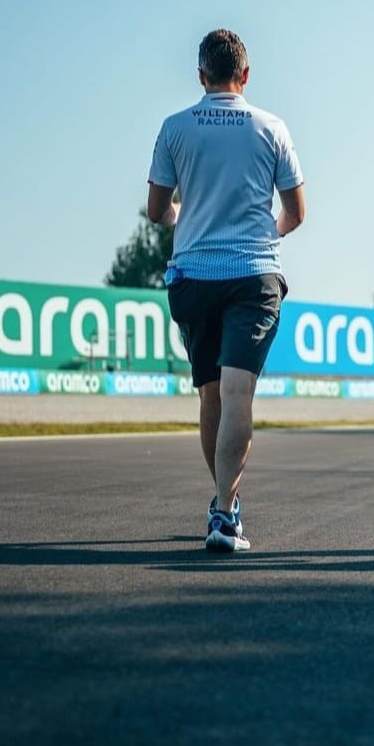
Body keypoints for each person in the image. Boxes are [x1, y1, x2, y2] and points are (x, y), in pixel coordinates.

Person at [147, 29, 306, 553]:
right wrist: (265, 233)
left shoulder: (174, 127)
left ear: (201, 76)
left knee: (211, 395)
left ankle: (224, 502)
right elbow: (296, 212)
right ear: (246, 74)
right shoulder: (272, 127)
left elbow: (157, 210)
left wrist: (186, 219)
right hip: (252, 274)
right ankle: (223, 511)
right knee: (239, 394)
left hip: (193, 274)